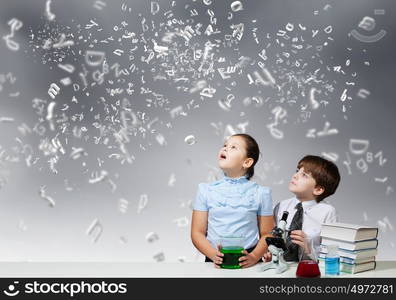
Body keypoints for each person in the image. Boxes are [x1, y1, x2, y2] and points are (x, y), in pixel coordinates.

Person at [191, 134, 274, 268]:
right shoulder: (205, 190)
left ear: (247, 162)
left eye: (233, 147)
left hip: (249, 261)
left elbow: (267, 233)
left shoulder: (261, 193)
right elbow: (197, 232)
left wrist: (254, 257)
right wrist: (212, 254)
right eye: (225, 145)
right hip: (214, 260)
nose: (225, 149)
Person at [263, 155, 340, 262]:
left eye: (304, 175)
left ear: (318, 189)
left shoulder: (327, 212)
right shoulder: (281, 206)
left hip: (308, 267)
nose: (295, 176)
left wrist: (309, 248)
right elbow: (273, 237)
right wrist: (270, 253)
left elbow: (331, 251)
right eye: (297, 171)